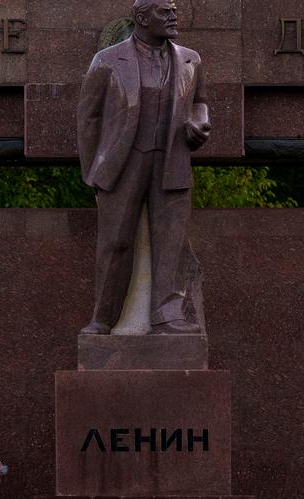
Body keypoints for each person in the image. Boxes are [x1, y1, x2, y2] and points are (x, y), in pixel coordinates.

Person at [77, 0, 211, 335]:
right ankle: (103, 318)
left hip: (172, 159)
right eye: (164, 11)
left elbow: (200, 102)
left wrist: (199, 122)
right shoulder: (107, 61)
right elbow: (88, 118)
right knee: (116, 243)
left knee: (171, 242)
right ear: (141, 18)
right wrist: (94, 169)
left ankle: (169, 314)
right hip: (123, 163)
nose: (173, 16)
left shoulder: (190, 59)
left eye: (174, 10)